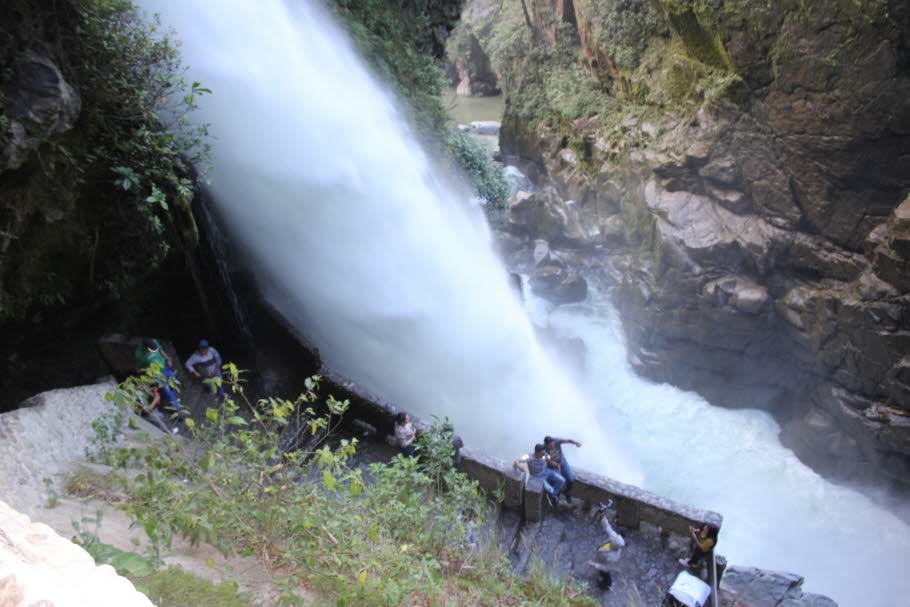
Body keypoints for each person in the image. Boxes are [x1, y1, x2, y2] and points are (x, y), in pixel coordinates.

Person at [134, 338, 183, 414]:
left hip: (164, 367)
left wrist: (167, 359)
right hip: (156, 374)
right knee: (167, 391)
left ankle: (168, 396)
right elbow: (138, 369)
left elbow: (161, 350)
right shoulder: (139, 354)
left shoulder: (154, 342)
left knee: (174, 383)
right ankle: (176, 408)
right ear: (146, 348)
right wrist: (149, 372)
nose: (155, 351)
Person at [587, 501, 625, 591]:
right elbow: (607, 527)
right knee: (602, 571)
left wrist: (595, 565)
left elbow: (607, 567)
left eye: (613, 539)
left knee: (605, 573)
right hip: (602, 556)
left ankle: (607, 584)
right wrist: (603, 516)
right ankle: (603, 578)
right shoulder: (614, 538)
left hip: (604, 562)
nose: (612, 537)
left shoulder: (614, 557)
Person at [543, 435, 582, 503]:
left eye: (552, 444)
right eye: (550, 446)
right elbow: (548, 461)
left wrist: (576, 443)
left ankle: (567, 493)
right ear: (546, 445)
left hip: (562, 462)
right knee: (558, 480)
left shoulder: (556, 440)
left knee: (571, 479)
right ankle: (554, 497)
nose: (552, 446)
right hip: (553, 466)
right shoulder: (543, 449)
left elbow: (568, 440)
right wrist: (557, 465)